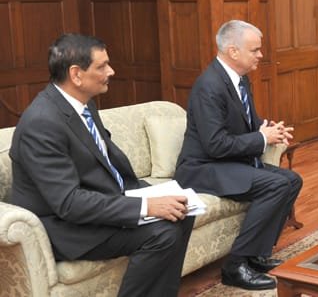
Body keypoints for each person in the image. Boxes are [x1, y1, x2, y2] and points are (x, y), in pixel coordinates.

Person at [10, 34, 194, 297]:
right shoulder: (42, 124)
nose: (111, 71)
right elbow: (69, 203)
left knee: (181, 209)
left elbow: (106, 164)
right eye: (102, 66)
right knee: (162, 233)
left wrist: (144, 195)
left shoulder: (82, 105)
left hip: (100, 202)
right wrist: (146, 206)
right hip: (67, 227)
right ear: (76, 74)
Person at [175, 20, 302, 290]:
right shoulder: (209, 86)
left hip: (228, 163)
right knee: (277, 183)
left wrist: (268, 129)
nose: (261, 55)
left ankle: (256, 254)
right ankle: (235, 266)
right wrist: (260, 139)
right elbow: (215, 145)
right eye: (255, 50)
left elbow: (248, 121)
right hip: (203, 168)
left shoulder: (239, 79)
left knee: (292, 180)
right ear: (233, 51)